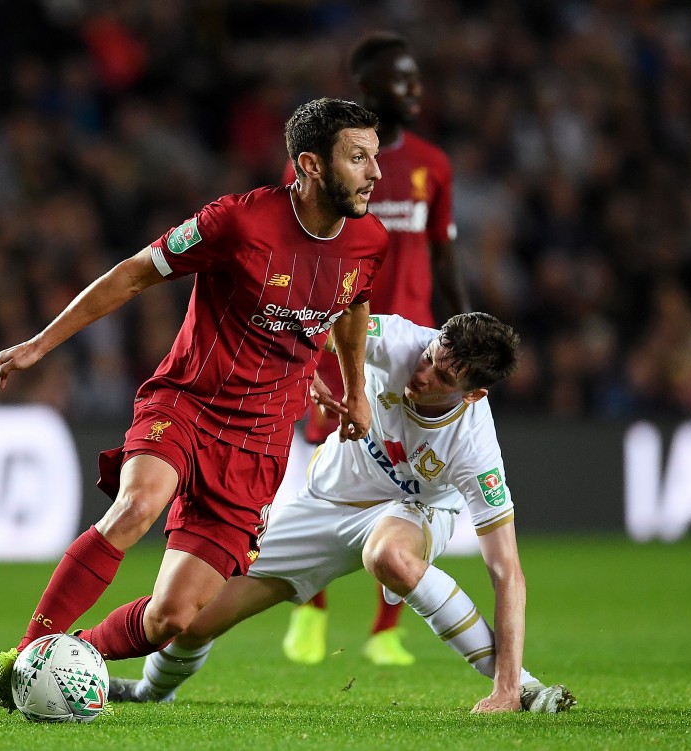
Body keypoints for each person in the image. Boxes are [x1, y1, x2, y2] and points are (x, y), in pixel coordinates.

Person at [0, 97, 389, 712]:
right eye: (358, 157)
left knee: (173, 618)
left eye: (375, 156)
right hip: (189, 403)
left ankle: (67, 659)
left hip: (261, 443)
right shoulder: (237, 223)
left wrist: (354, 391)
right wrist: (39, 344)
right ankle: (25, 656)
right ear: (310, 165)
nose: (375, 173)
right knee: (137, 506)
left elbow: (352, 306)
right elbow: (134, 273)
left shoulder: (370, 241)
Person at [99, 312, 576, 713]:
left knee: (389, 556)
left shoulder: (475, 449)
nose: (423, 373)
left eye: (444, 378)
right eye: (431, 356)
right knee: (194, 619)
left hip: (413, 510)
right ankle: (149, 694)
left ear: (473, 394)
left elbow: (506, 570)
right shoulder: (398, 340)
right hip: (324, 501)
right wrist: (303, 378)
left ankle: (521, 688)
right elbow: (306, 328)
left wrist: (506, 687)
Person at [278, 31, 470, 667]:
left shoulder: (431, 165)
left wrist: (464, 330)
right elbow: (297, 245)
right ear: (366, 89)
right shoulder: (317, 161)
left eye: (417, 80)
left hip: (411, 350)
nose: (415, 92)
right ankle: (310, 612)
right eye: (403, 81)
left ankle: (387, 629)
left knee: (405, 484)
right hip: (340, 338)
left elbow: (444, 256)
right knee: (328, 470)